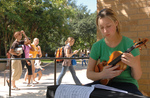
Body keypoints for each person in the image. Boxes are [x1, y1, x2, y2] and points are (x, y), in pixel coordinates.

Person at [86, 8, 143, 95]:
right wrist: (102, 75)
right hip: (104, 84)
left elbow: (137, 76)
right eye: (101, 28)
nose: (105, 31)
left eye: (108, 26)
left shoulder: (130, 44)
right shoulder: (97, 46)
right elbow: (89, 74)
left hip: (127, 85)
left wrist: (134, 64)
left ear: (116, 23)